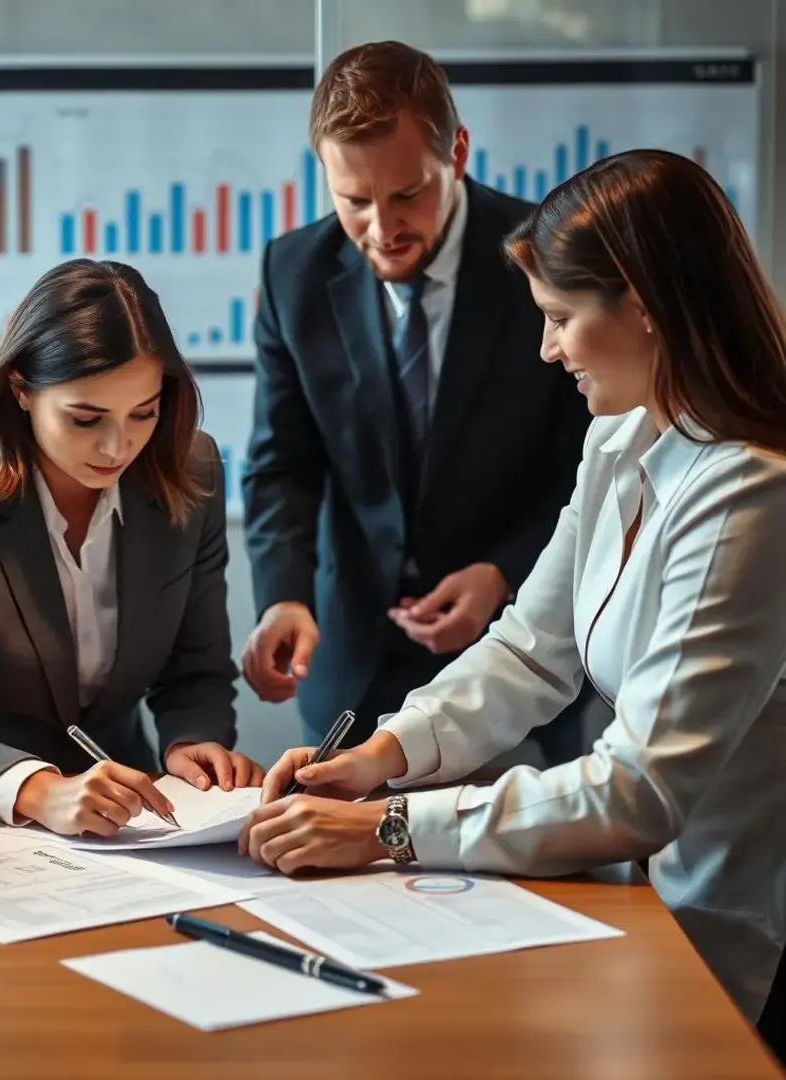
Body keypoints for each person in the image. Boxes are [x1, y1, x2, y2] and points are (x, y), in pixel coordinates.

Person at [240, 149, 786, 1034]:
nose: (547, 348)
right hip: (650, 907)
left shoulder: (753, 490)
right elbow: (532, 650)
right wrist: (378, 760)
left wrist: (388, 830)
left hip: (741, 927)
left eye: (562, 318)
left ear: (645, 305)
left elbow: (638, 790)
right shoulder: (619, 439)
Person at [241, 41, 590, 758]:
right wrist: (284, 596)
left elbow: (587, 462)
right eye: (353, 201)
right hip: (350, 666)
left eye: (407, 194)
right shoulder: (293, 273)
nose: (382, 228)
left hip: (518, 654)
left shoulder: (548, 261)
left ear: (457, 153)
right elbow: (283, 465)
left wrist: (504, 575)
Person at [0, 259, 263, 838]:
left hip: (129, 809)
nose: (117, 446)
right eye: (85, 418)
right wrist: (36, 790)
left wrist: (192, 742)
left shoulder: (189, 470)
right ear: (21, 390)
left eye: (144, 413)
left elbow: (195, 670)